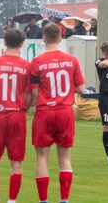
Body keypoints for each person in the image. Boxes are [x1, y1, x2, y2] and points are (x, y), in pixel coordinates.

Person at [30, 23, 85, 203]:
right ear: (61, 38)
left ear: (44, 38)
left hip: (45, 112)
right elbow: (81, 88)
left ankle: (43, 200)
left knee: (42, 158)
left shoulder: (37, 62)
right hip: (64, 111)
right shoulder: (72, 60)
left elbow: (35, 92)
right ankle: (64, 199)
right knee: (65, 159)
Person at [0, 28, 32, 203]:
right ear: (21, 44)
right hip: (17, 115)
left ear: (4, 42)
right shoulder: (26, 66)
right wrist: (23, 108)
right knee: (16, 162)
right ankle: (11, 200)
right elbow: (29, 94)